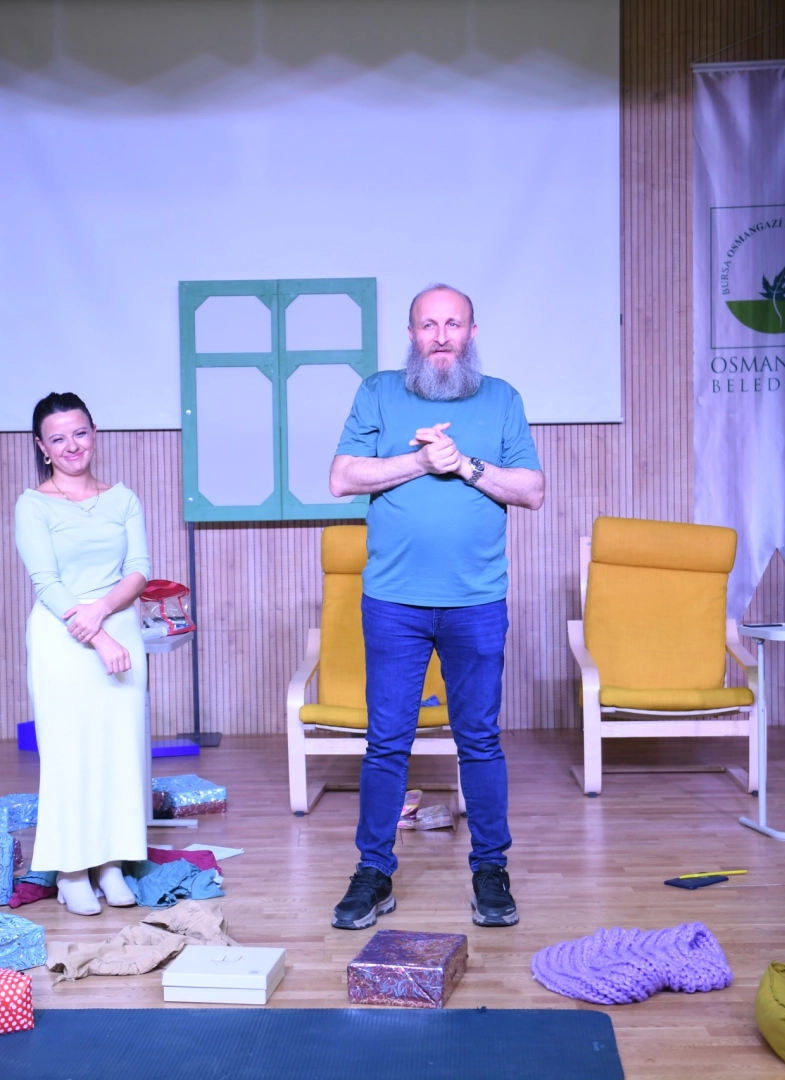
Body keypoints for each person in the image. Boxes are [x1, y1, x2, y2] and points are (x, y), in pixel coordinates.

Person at [327, 283, 545, 929]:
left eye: (453, 324)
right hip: (393, 603)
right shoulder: (378, 392)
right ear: (411, 334)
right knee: (386, 743)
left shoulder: (501, 398)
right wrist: (421, 462)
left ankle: (490, 871)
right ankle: (373, 872)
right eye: (429, 325)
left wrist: (464, 465)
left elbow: (531, 490)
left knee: (479, 740)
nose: (441, 336)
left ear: (472, 332)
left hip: (476, 603)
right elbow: (342, 477)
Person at [14, 392, 150, 914]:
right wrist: (96, 632)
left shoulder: (123, 498)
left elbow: (138, 570)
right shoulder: (33, 504)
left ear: (94, 434)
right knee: (68, 754)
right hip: (63, 638)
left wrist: (104, 612)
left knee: (120, 751)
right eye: (58, 439)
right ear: (42, 447)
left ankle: (111, 864)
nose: (72, 446)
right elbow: (47, 583)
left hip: (119, 629)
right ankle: (71, 870)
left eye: (79, 433)